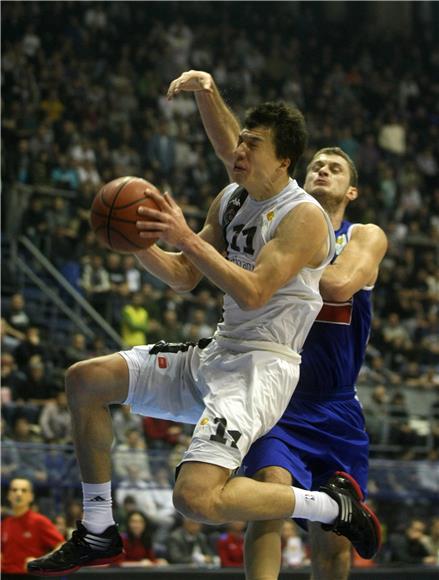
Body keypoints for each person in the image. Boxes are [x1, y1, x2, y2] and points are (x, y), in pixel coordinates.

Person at [28, 92, 377, 578]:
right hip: (217, 353)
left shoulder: (303, 217)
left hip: (262, 370)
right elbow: (182, 276)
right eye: (240, 141)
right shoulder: (230, 200)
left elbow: (255, 291)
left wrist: (183, 235)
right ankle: (97, 529)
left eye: (252, 144)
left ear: (282, 161)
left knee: (194, 499)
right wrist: (138, 238)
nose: (239, 150)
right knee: (85, 380)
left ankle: (331, 508)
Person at [167, 70, 387, 580]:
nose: (322, 171)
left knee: (332, 543)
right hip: (277, 387)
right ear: (294, 173)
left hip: (334, 402)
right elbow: (238, 158)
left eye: (335, 167)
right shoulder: (280, 216)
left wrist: (294, 261)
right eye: (316, 165)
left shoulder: (364, 234)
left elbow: (336, 288)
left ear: (352, 189)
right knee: (266, 498)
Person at [1, 478, 64, 579]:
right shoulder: (4, 523)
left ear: (31, 496)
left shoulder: (39, 521)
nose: (19, 494)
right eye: (14, 490)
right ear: (8, 495)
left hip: (30, 576)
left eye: (24, 490)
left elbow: (61, 546)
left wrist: (42, 561)